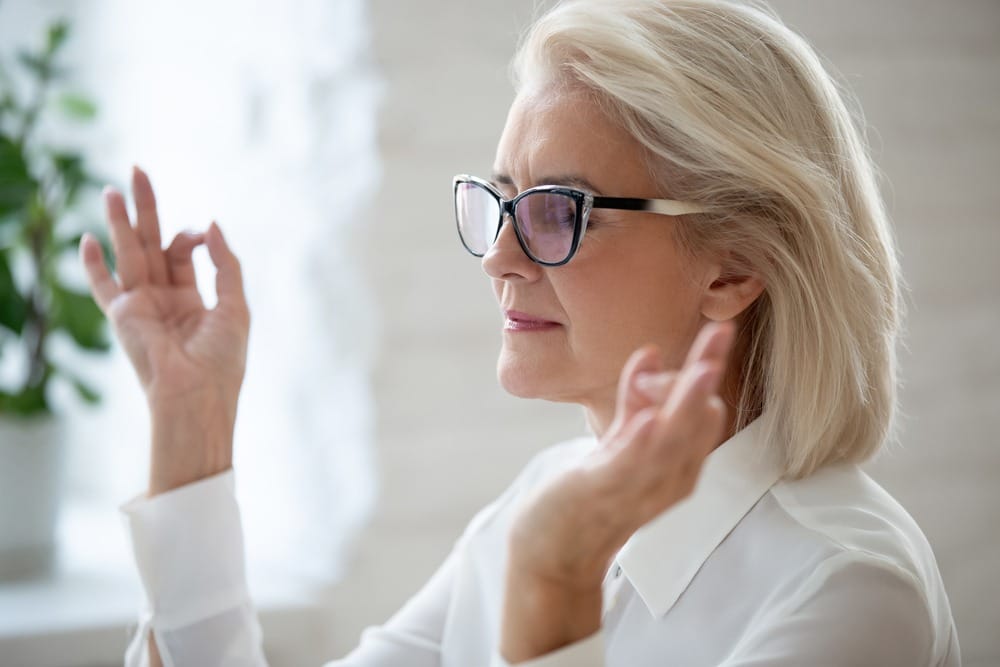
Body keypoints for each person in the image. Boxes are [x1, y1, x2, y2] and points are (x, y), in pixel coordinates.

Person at [79, 0, 961, 665]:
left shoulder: (847, 588)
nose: (498, 257)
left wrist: (554, 589)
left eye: (559, 210)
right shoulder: (540, 501)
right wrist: (191, 430)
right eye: (501, 200)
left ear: (733, 268)